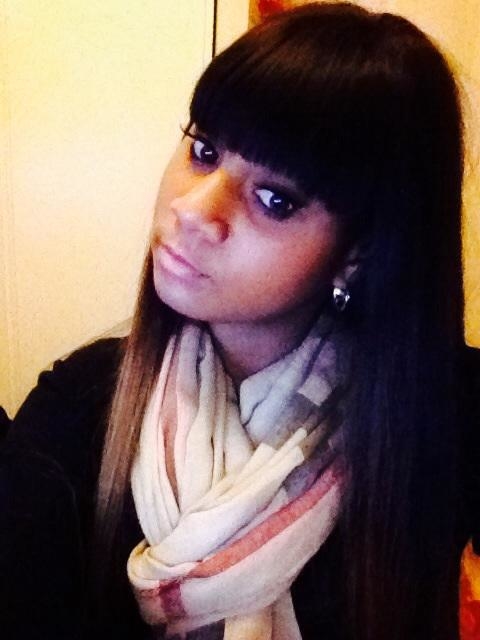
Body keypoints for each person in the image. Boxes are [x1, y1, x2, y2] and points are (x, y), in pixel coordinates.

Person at [5, 3, 480, 639]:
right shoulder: (79, 407)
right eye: (203, 151)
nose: (194, 209)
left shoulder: (445, 412)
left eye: (275, 199)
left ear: (358, 253)